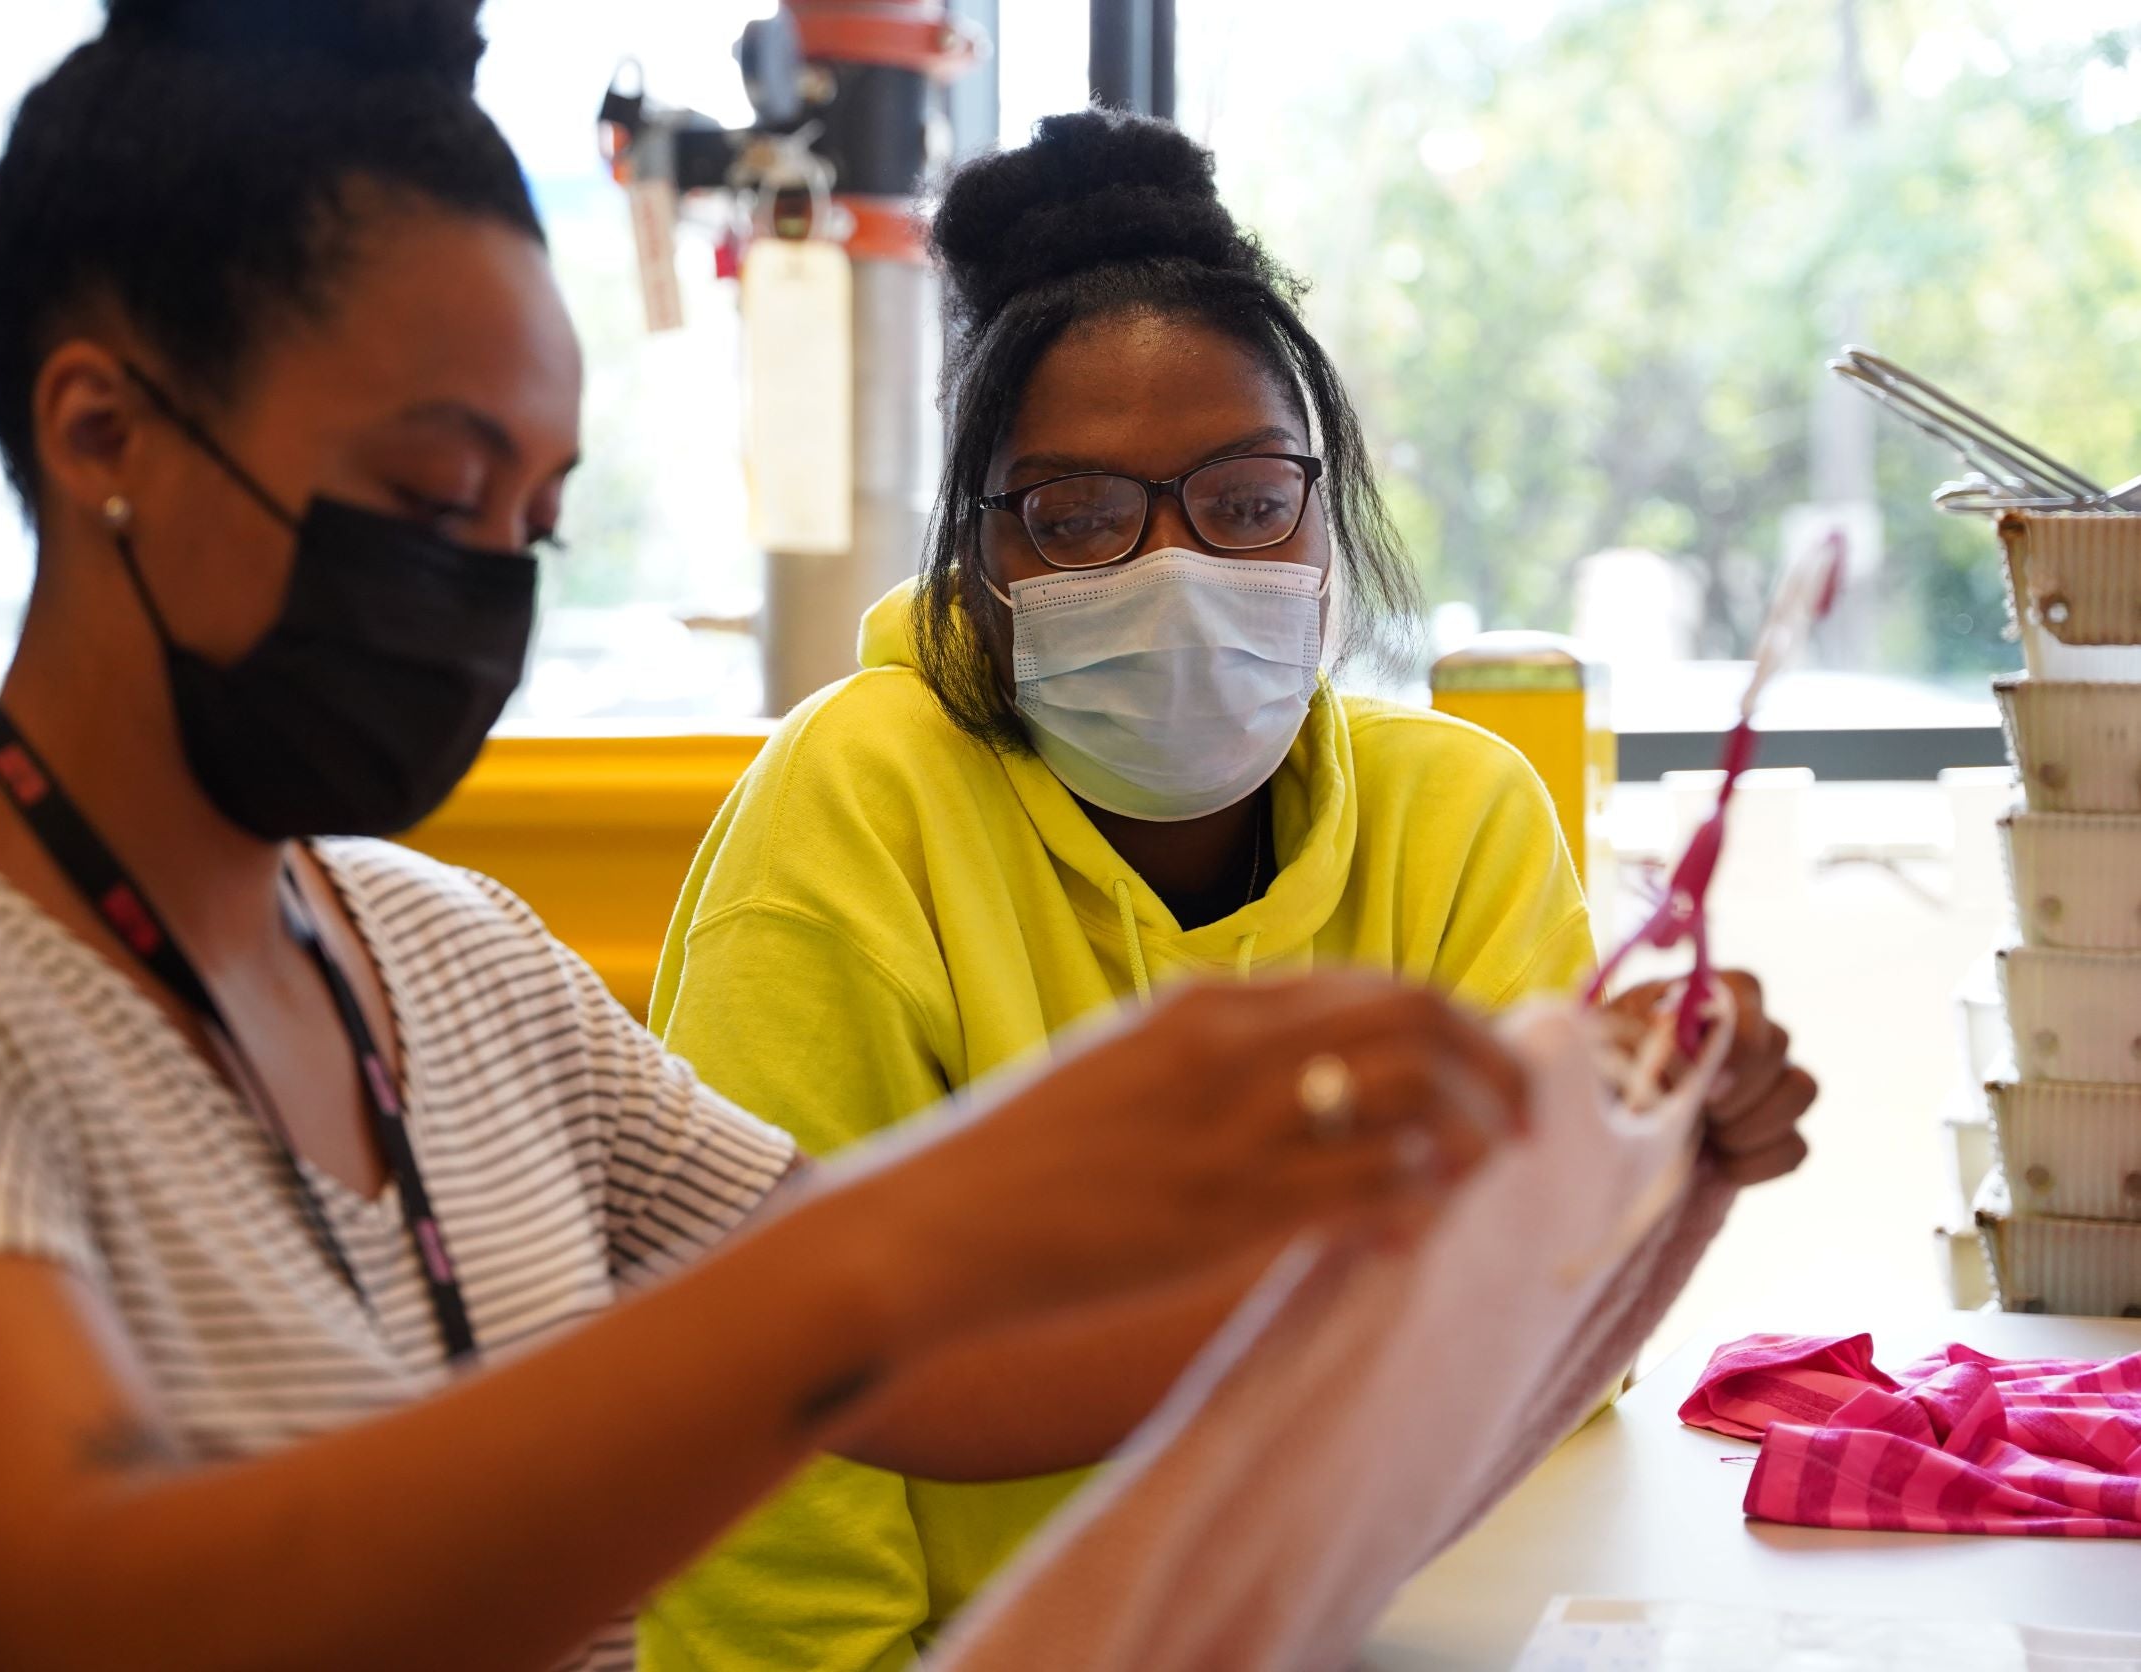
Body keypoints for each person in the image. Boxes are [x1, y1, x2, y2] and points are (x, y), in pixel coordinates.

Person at [0, 9, 1552, 1671]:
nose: (480, 586)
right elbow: (68, 1611)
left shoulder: (446, 964)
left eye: (531, 520)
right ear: (100, 432)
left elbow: (948, 1375)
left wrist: (1536, 1214)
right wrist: (917, 1240)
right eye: (431, 491)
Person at [639, 110, 1818, 1672]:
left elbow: (1548, 1344)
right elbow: (768, 1441)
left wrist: (1636, 1150)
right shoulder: (856, 804)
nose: (1175, 566)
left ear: (1327, 512)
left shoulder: (1458, 815)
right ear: (980, 553)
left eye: (1248, 500)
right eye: (1078, 517)